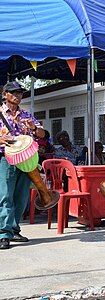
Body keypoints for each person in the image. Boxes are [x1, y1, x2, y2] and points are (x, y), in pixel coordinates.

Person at [0, 81, 45, 250]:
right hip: (6, 158)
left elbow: (43, 134)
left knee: (21, 197)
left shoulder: (26, 115)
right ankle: (3, 233)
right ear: (5, 94)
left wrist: (33, 128)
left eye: (20, 93)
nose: (18, 95)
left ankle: (13, 229)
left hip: (26, 160)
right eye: (14, 92)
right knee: (6, 196)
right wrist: (1, 139)